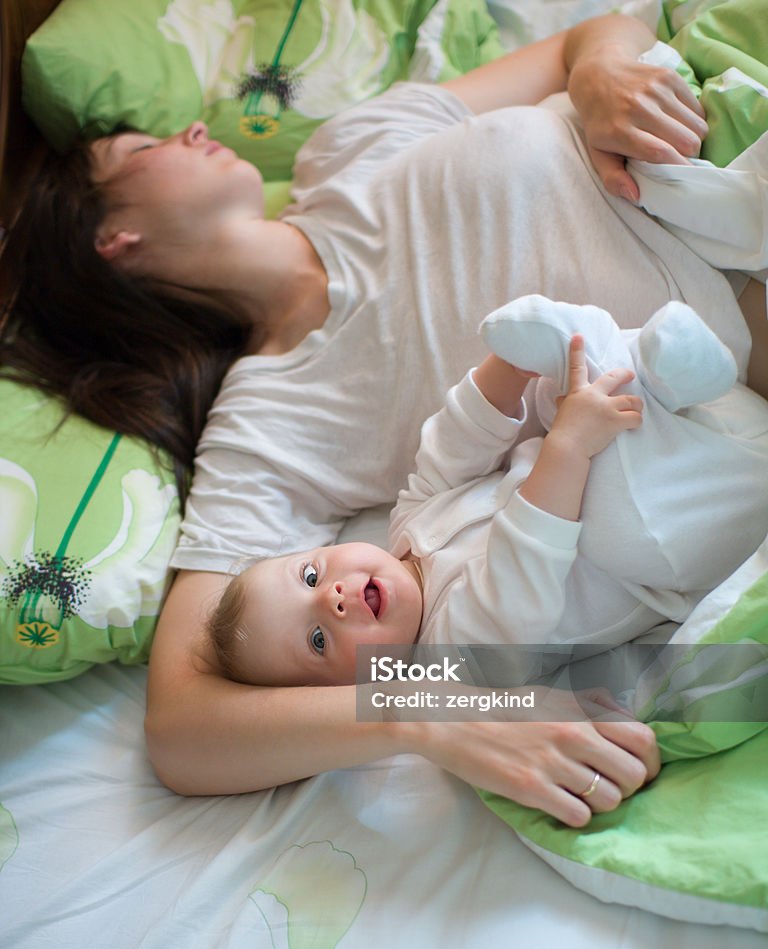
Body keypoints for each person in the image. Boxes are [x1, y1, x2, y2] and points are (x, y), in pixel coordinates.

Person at [5, 13, 762, 827]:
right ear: (114, 239)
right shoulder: (268, 422)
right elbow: (185, 730)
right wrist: (442, 709)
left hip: (717, 175)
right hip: (724, 384)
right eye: (139, 148)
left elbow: (591, 33)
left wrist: (601, 75)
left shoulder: (344, 148)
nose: (193, 127)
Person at [205, 298, 768, 693]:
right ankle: (651, 370)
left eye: (309, 576)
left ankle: (664, 364)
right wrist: (567, 446)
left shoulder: (405, 531)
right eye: (320, 639)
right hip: (684, 536)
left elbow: (452, 448)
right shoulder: (457, 659)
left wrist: (508, 368)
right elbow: (527, 560)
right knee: (610, 520)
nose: (332, 597)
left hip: (696, 446)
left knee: (556, 387)